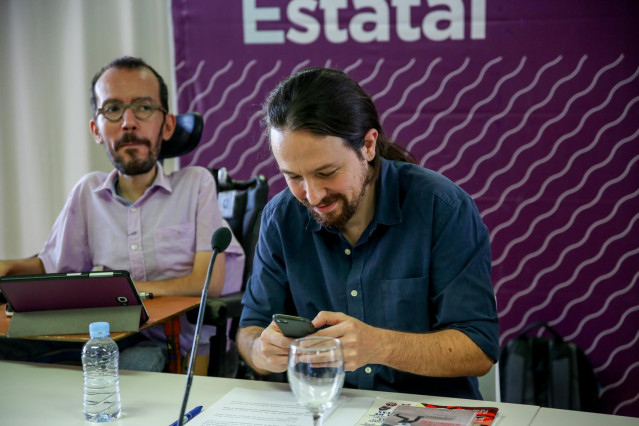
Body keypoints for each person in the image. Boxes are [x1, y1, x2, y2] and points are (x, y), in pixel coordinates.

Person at [236, 68, 499, 399]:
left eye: (326, 172)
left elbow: (478, 349)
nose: (313, 196)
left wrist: (381, 346)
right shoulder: (280, 218)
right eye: (293, 177)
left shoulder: (441, 208)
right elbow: (249, 330)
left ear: (368, 146)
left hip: (425, 412)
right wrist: (261, 351)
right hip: (322, 410)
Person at [0, 56, 244, 374]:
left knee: (124, 370)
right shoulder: (88, 192)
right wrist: (10, 267)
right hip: (113, 337)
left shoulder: (195, 184)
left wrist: (125, 290)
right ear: (97, 130)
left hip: (181, 348)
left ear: (168, 125)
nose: (128, 122)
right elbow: (52, 267)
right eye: (113, 109)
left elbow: (207, 283)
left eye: (143, 107)